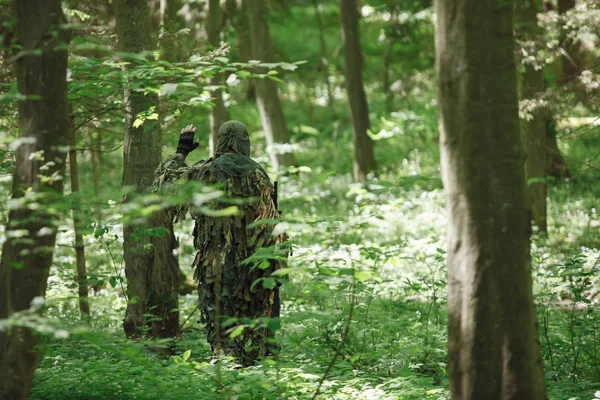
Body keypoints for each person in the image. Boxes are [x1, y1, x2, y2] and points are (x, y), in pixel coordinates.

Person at [153, 121, 287, 366]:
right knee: (253, 332)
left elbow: (163, 186)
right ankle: (253, 375)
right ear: (244, 142)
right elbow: (273, 227)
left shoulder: (205, 172)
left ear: (221, 141)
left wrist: (182, 151)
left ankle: (226, 371)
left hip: (215, 267)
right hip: (253, 268)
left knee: (221, 335)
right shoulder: (260, 175)